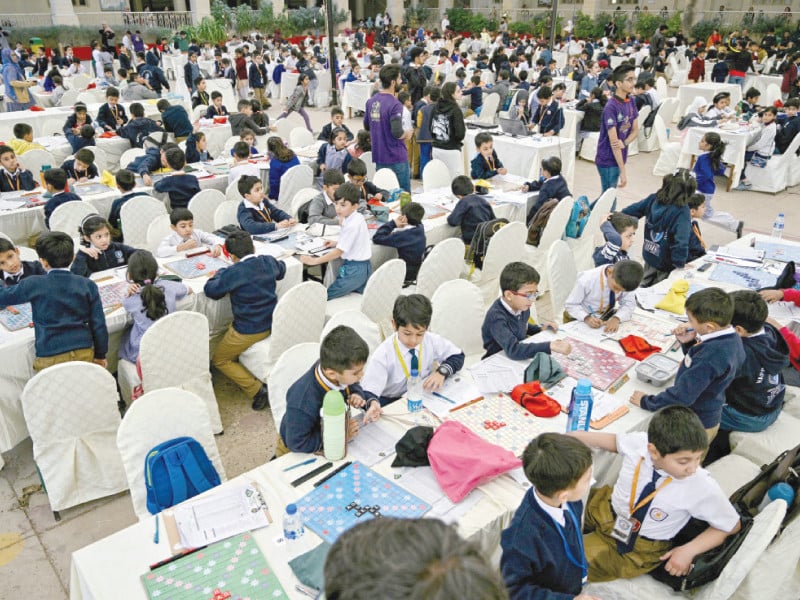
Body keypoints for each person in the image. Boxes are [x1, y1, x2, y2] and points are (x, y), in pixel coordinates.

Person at [572, 405, 742, 582]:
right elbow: (615, 442)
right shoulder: (640, 443)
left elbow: (731, 525)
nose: (692, 468)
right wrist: (574, 437)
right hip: (606, 508)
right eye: (684, 461)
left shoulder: (701, 485)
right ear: (653, 451)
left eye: (698, 458)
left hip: (636, 546)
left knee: (567, 561)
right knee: (557, 503)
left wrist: (688, 550)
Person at [630, 288, 745, 439]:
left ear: (709, 327)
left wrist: (647, 402)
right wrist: (690, 343)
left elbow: (682, 396)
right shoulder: (731, 338)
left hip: (694, 424)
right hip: (708, 411)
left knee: (679, 460)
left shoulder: (710, 356)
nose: (688, 324)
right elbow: (705, 366)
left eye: (691, 320)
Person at [501, 433, 595, 599]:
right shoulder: (522, 538)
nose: (591, 481)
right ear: (563, 495)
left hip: (569, 582)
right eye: (587, 479)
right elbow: (514, 591)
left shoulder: (570, 500)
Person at [0, 232, 108, 371]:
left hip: (49, 356)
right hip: (84, 351)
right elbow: (99, 325)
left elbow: (2, 296)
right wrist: (100, 355)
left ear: (43, 261)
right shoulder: (88, 285)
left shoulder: (33, 284)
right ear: (72, 257)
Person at [704, 290, 790, 461]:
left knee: (693, 406)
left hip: (751, 417)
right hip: (772, 402)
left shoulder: (738, 353)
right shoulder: (769, 330)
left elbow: (708, 379)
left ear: (739, 330)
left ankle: (702, 457)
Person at [204, 230, 285, 410]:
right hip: (272, 319)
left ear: (231, 256)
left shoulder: (233, 272)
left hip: (249, 328)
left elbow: (212, 291)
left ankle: (257, 390)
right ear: (253, 246)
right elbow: (282, 270)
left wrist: (219, 273)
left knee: (219, 359)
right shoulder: (267, 261)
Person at [279, 325, 378, 455]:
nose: (361, 375)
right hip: (300, 448)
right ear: (332, 374)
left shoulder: (337, 369)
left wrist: (358, 395)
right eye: (356, 373)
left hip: (334, 429)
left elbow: (352, 384)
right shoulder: (302, 400)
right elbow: (297, 443)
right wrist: (339, 436)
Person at [362, 294, 465, 407]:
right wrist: (372, 403)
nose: (413, 340)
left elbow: (458, 355)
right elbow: (368, 392)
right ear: (394, 325)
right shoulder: (383, 354)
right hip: (391, 400)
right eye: (407, 333)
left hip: (422, 394)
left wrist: (442, 372)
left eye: (420, 334)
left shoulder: (430, 340)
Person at [482, 262, 570, 361]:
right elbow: (514, 350)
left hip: (516, 356)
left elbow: (523, 326)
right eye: (528, 294)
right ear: (509, 295)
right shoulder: (496, 317)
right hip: (496, 360)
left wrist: (540, 329)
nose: (533, 299)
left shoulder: (522, 306)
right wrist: (549, 346)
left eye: (535, 293)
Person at [622, 169, 696, 286]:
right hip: (667, 262)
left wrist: (615, 219)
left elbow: (628, 212)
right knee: (659, 292)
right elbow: (681, 240)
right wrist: (680, 263)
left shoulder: (653, 199)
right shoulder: (682, 211)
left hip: (649, 254)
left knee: (643, 285)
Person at [298, 183, 372, 300]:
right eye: (336, 203)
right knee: (359, 296)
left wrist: (314, 261)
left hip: (354, 270)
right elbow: (356, 241)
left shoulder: (351, 224)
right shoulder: (357, 217)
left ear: (355, 206)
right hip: (364, 267)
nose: (338, 208)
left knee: (325, 297)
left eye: (343, 205)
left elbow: (338, 252)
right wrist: (337, 243)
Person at [119, 250, 191, 364]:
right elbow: (188, 289)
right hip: (171, 343)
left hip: (143, 350)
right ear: (157, 273)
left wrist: (127, 289)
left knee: (124, 334)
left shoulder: (129, 299)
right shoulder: (167, 286)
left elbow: (125, 301)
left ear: (129, 275)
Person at [364, 65, 411, 192]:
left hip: (379, 155)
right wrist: (407, 134)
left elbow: (367, 126)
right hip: (396, 156)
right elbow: (397, 132)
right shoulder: (395, 104)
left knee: (384, 194)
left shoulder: (371, 102)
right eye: (400, 79)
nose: (401, 82)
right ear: (393, 82)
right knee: (403, 194)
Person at [564, 260, 643, 332]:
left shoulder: (625, 280)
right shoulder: (587, 279)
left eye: (621, 291)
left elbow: (629, 303)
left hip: (602, 316)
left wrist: (617, 318)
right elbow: (571, 305)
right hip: (576, 317)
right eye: (615, 287)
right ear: (609, 272)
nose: (617, 292)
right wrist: (586, 318)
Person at [596, 64, 639, 191]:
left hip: (620, 157)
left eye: (634, 79)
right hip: (608, 160)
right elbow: (614, 143)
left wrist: (624, 143)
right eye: (629, 80)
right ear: (619, 84)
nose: (633, 83)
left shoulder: (631, 101)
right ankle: (583, 210)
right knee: (609, 201)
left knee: (606, 199)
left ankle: (584, 210)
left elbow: (635, 130)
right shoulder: (611, 107)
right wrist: (623, 171)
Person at [692, 132, 742, 234]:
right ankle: (734, 224)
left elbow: (706, 174)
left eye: (702, 141)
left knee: (706, 215)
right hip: (706, 189)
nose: (700, 142)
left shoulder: (703, 158)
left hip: (702, 190)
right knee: (705, 213)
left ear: (708, 145)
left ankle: (735, 224)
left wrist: (693, 182)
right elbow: (720, 170)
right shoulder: (712, 156)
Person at [371, 202, 426, 284]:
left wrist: (393, 224)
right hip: (417, 269)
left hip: (405, 273)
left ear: (404, 217)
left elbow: (377, 237)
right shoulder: (420, 228)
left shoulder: (403, 236)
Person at [70, 214, 136, 277]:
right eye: (99, 236)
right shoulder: (85, 255)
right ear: (87, 238)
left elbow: (138, 254)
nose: (104, 240)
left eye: (107, 234)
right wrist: (81, 255)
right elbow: (75, 276)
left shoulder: (117, 247)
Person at [737, 107, 778, 190]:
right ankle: (739, 176)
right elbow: (756, 125)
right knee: (741, 152)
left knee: (740, 157)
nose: (766, 117)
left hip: (762, 153)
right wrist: (758, 121)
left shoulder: (770, 128)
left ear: (774, 117)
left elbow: (760, 145)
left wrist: (748, 148)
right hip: (760, 149)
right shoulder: (767, 124)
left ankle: (745, 181)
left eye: (769, 115)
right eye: (765, 114)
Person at [447, 176, 495, 246]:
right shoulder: (483, 200)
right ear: (473, 188)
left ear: (458, 196)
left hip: (471, 241)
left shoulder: (464, 202)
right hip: (486, 238)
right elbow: (493, 219)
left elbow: (453, 221)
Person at [430, 82, 466, 174]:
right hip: (451, 150)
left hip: (436, 148)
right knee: (455, 181)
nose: (461, 92)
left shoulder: (435, 107)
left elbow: (430, 127)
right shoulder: (455, 110)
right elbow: (460, 133)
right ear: (451, 94)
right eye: (458, 91)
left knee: (440, 178)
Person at [522, 157, 571, 224]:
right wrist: (529, 186)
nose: (541, 171)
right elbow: (542, 182)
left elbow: (538, 206)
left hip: (554, 215)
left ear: (547, 172)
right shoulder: (559, 178)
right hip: (566, 208)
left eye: (541, 169)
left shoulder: (546, 188)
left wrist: (526, 221)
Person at [157, 208, 222, 258]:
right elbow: (160, 252)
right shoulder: (170, 238)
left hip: (198, 261)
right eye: (183, 226)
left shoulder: (197, 233)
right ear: (174, 227)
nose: (188, 229)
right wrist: (180, 247)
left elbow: (216, 238)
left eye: (190, 225)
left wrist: (217, 245)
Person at [108, 169, 149, 239]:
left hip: (126, 237)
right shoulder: (145, 196)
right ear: (135, 184)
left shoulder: (117, 203)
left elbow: (112, 225)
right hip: (147, 232)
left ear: (117, 186)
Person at [266, 137, 300, 202]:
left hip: (283, 195)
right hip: (297, 190)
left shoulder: (275, 163)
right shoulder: (293, 155)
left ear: (270, 149)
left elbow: (274, 183)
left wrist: (271, 196)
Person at [686, 193, 708, 262]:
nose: (705, 209)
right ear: (692, 211)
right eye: (703, 206)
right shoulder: (685, 229)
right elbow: (693, 250)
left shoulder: (694, 224)